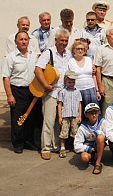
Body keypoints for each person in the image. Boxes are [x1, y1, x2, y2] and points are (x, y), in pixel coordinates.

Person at [35, 28, 72, 160]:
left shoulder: (68, 54)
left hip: (63, 93)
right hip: (51, 92)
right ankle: (46, 148)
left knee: (59, 121)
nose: (63, 43)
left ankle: (56, 145)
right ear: (56, 40)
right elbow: (38, 69)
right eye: (61, 40)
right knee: (49, 120)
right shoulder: (48, 52)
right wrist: (45, 85)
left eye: (66, 41)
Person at [2, 31, 38, 153]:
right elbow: (6, 77)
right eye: (21, 39)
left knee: (31, 118)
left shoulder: (34, 55)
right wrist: (9, 95)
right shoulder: (11, 57)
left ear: (29, 41)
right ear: (16, 42)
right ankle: (17, 143)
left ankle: (29, 141)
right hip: (17, 91)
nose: (23, 42)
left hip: (32, 91)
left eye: (25, 39)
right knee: (17, 118)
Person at [74, 103, 113, 175]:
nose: (94, 115)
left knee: (100, 137)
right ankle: (92, 155)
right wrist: (88, 149)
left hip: (99, 142)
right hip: (88, 145)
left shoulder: (103, 122)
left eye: (96, 113)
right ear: (86, 115)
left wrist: (96, 133)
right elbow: (76, 145)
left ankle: (98, 162)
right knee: (84, 158)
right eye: (91, 113)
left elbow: (108, 134)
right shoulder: (82, 127)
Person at [68, 41, 100, 115]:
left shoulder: (89, 59)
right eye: (78, 49)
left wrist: (97, 91)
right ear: (73, 50)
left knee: (93, 113)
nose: (80, 50)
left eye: (82, 49)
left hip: (91, 89)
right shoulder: (71, 61)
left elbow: (93, 75)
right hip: (78, 90)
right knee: (80, 113)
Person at [57, 70, 82, 158]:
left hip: (75, 115)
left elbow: (79, 104)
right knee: (64, 132)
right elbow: (60, 105)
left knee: (75, 131)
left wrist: (80, 116)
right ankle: (62, 148)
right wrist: (60, 117)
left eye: (73, 82)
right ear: (65, 81)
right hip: (65, 115)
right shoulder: (63, 92)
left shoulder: (77, 92)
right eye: (69, 82)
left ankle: (76, 146)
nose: (71, 84)